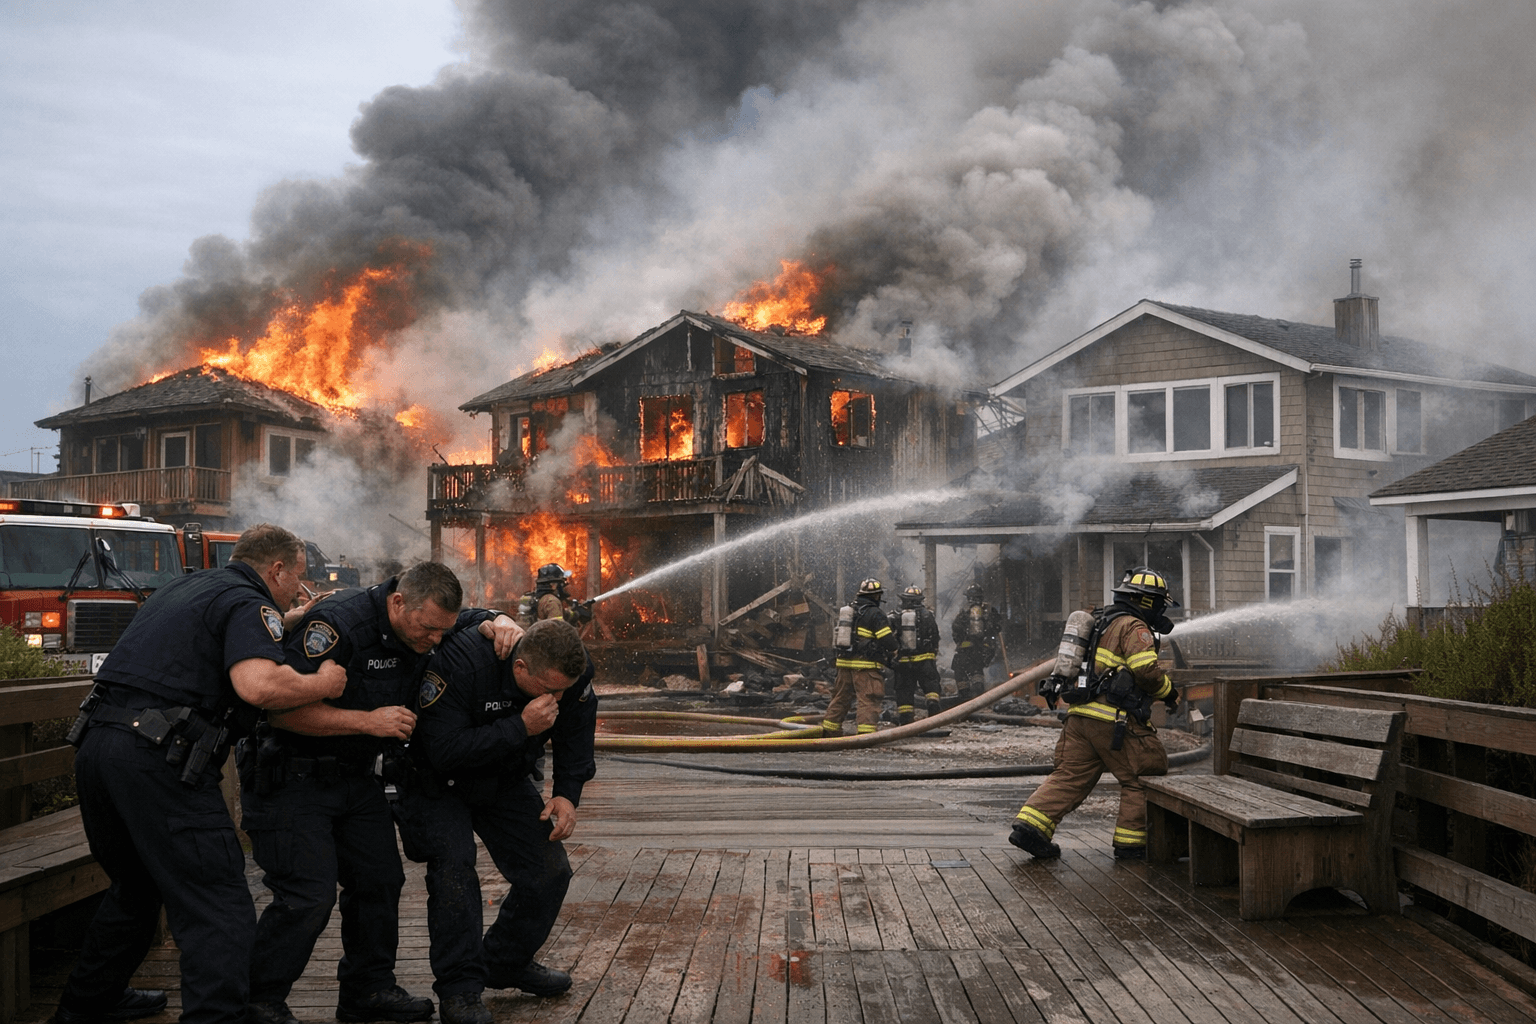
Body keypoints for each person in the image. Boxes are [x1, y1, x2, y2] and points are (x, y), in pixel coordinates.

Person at [55, 524, 347, 1024]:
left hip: (100, 749)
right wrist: (322, 680)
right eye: (296, 580)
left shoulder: (189, 587)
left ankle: (87, 1006)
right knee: (218, 906)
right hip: (158, 761)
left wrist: (287, 618)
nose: (298, 591)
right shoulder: (248, 602)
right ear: (275, 569)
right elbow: (257, 686)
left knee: (136, 888)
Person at [239, 563, 521, 1024]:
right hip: (292, 777)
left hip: (355, 777)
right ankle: (258, 998)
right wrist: (367, 723)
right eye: (428, 629)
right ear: (397, 603)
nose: (435, 640)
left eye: (442, 632)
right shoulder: (338, 624)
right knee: (308, 894)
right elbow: (277, 712)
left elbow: (468, 619)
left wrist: (501, 619)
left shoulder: (431, 620)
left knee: (379, 880)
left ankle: (367, 990)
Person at [394, 618, 597, 1024]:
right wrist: (520, 726)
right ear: (520, 667)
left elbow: (577, 730)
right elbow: (443, 750)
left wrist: (566, 793)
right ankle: (460, 991)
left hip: (503, 776)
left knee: (549, 870)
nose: (556, 698)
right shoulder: (463, 664)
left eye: (563, 690)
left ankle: (506, 961)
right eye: (548, 689)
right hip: (437, 781)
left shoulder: (571, 675)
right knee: (455, 870)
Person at [1008, 566, 1180, 861]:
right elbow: (1146, 672)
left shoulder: (1101, 622)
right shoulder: (1134, 627)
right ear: (1148, 601)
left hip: (1079, 719)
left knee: (1069, 776)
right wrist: (1170, 693)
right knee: (1145, 772)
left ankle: (1030, 828)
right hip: (1113, 721)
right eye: (1160, 603)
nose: (1162, 610)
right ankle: (1133, 844)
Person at [822, 578, 896, 736]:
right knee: (868, 699)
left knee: (840, 697)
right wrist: (895, 650)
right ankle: (865, 735)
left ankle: (829, 732)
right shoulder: (875, 614)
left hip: (843, 664)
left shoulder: (850, 610)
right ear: (877, 596)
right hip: (865, 666)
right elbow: (887, 640)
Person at [892, 585, 941, 724]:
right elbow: (935, 636)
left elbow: (891, 637)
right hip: (925, 660)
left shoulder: (896, 615)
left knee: (904, 691)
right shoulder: (927, 615)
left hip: (904, 662)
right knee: (931, 687)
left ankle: (906, 721)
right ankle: (934, 713)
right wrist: (933, 652)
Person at [950, 583, 1003, 700]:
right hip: (983, 649)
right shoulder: (990, 611)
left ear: (968, 597)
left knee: (960, 670)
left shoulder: (965, 612)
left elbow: (956, 629)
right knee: (977, 671)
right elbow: (998, 627)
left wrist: (961, 641)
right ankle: (978, 696)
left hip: (965, 650)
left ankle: (965, 697)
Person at [518, 563, 593, 628]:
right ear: (553, 585)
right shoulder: (552, 601)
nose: (564, 586)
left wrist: (575, 613)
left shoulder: (536, 598)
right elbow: (558, 631)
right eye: (562, 583)